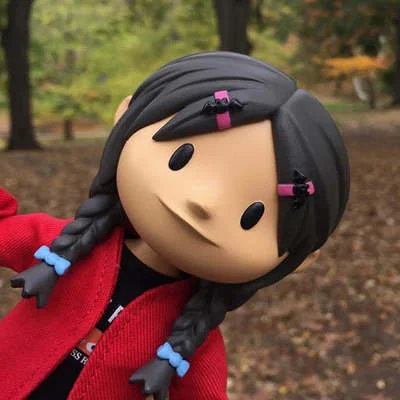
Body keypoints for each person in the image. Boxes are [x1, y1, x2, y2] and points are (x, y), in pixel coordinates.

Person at [0, 51, 350, 400]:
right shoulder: (62, 245)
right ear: (127, 115)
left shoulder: (191, 339)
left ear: (301, 258)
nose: (204, 203)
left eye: (251, 215)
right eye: (182, 158)